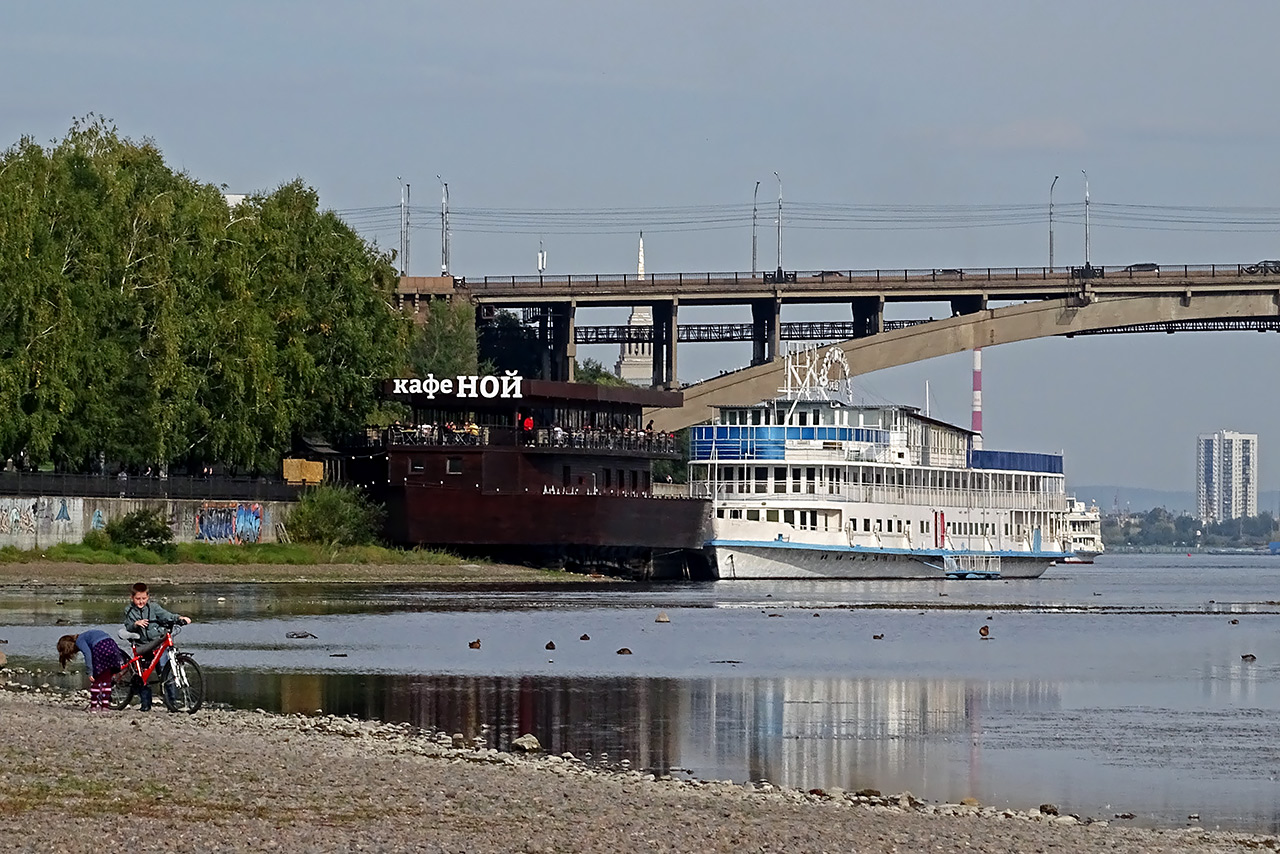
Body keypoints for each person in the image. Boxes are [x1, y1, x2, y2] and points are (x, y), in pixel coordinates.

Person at [122, 582, 192, 711]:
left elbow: (166, 615)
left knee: (166, 670)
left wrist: (180, 618)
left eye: (144, 598)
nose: (141, 601)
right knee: (143, 673)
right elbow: (128, 625)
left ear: (148, 597)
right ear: (132, 598)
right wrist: (136, 624)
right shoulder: (129, 610)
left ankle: (172, 702)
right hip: (142, 644)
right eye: (138, 599)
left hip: (156, 642)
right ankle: (145, 704)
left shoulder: (154, 607)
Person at [57, 630, 124, 712]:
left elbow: (87, 654)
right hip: (111, 645)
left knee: (96, 680)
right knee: (107, 681)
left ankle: (94, 706)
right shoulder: (87, 636)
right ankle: (105, 706)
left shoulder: (79, 640)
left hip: (100, 648)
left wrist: (90, 672)